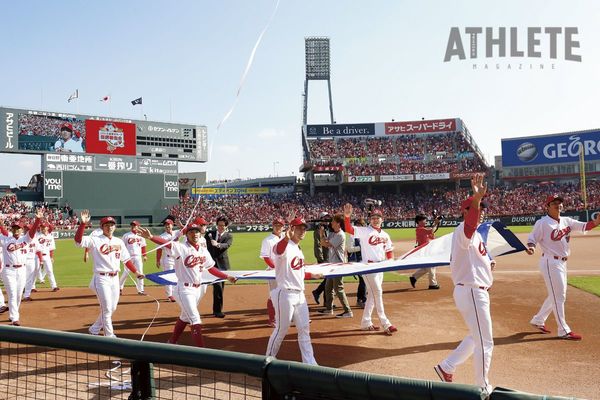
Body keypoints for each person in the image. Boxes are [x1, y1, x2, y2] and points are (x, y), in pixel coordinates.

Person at [434, 175, 495, 395]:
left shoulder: (476, 235)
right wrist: (476, 198)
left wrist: (488, 266)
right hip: (471, 292)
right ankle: (483, 387)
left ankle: (447, 366)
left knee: (475, 335)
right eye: (477, 207)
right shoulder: (463, 230)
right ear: (466, 211)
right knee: (485, 342)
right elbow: (470, 224)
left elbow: (477, 259)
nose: (482, 211)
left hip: (474, 291)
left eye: (482, 207)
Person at [139, 219, 237, 347]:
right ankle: (202, 352)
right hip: (183, 290)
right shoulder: (181, 248)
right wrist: (151, 237)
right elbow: (167, 244)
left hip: (198, 290)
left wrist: (227, 276)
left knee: (185, 317)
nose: (194, 234)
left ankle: (172, 341)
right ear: (187, 234)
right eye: (191, 232)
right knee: (195, 319)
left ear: (200, 234)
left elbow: (211, 268)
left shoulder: (203, 250)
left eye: (197, 232)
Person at [526, 194, 600, 340]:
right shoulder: (542, 223)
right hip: (550, 262)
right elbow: (532, 239)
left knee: (557, 294)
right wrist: (531, 247)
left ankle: (538, 320)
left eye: (559, 203)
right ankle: (563, 329)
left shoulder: (567, 221)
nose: (558, 205)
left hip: (562, 262)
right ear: (547, 206)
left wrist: (596, 222)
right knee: (559, 295)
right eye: (554, 203)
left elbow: (584, 226)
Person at [75, 210, 144, 337]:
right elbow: (78, 241)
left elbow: (126, 260)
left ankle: (94, 329)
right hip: (101, 279)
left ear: (115, 227)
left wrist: (136, 272)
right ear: (102, 227)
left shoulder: (119, 241)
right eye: (106, 225)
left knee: (112, 308)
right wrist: (83, 224)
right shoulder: (95, 240)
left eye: (112, 225)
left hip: (115, 279)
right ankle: (110, 337)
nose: (110, 227)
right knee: (106, 309)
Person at [265, 217, 323, 364]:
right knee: (281, 330)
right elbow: (277, 251)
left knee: (304, 329)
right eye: (299, 228)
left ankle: (310, 363)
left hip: (299, 295)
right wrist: (285, 238)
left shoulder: (297, 249)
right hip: (285, 293)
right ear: (291, 229)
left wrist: (312, 275)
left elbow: (299, 271)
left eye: (304, 228)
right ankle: (267, 360)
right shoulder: (284, 245)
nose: (302, 231)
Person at [343, 204, 397, 335]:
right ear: (369, 219)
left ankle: (366, 322)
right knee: (377, 292)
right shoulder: (364, 231)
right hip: (368, 266)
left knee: (373, 295)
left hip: (380, 266)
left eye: (378, 217)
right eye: (373, 217)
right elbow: (349, 229)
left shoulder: (385, 234)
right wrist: (347, 216)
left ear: (382, 220)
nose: (375, 219)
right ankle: (386, 323)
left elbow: (389, 251)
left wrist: (390, 261)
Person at [0, 208, 43, 326]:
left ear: (21, 229)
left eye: (18, 228)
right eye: (14, 228)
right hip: (8, 270)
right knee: (12, 293)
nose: (16, 230)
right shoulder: (5, 238)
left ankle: (13, 314)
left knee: (19, 294)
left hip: (22, 270)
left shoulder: (26, 239)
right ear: (12, 229)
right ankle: (15, 318)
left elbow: (33, 232)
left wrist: (38, 219)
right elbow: (2, 231)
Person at [318, 213, 353, 318]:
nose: (331, 223)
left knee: (338, 288)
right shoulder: (333, 233)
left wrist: (321, 234)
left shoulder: (340, 235)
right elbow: (323, 242)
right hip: (332, 264)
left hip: (338, 265)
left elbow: (325, 244)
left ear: (338, 223)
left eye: (333, 221)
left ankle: (348, 311)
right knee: (328, 287)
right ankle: (329, 309)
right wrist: (323, 234)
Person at [260, 216, 286, 327]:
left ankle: (288, 317)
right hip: (273, 271)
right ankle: (272, 319)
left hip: (285, 270)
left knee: (287, 294)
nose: (278, 227)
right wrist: (275, 268)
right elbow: (266, 257)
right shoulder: (267, 240)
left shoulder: (285, 237)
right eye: (276, 225)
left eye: (280, 225)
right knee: (274, 295)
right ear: (273, 226)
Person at [205, 216, 233, 318]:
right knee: (218, 288)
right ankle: (217, 311)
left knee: (220, 288)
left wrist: (218, 244)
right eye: (219, 225)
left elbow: (227, 245)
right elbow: (204, 247)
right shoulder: (209, 234)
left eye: (223, 225)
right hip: (211, 265)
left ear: (226, 226)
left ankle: (217, 310)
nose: (220, 227)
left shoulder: (229, 236)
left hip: (223, 265)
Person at [409, 214, 441, 290]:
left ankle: (414, 277)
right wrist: (436, 223)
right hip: (425, 251)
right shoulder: (419, 229)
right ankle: (433, 284)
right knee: (431, 266)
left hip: (427, 250)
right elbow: (431, 231)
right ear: (419, 221)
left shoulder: (423, 229)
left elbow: (431, 235)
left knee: (426, 268)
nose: (426, 221)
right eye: (424, 220)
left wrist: (435, 224)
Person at [156, 218, 181, 302]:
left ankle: (174, 293)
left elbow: (186, 230)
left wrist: (181, 225)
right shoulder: (162, 236)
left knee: (176, 276)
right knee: (168, 276)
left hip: (177, 258)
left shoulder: (177, 233)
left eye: (168, 224)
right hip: (167, 258)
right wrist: (158, 260)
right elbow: (159, 249)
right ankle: (169, 295)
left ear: (172, 225)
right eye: (165, 224)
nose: (167, 226)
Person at [120, 221, 147, 295]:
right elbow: (122, 247)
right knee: (126, 273)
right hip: (128, 257)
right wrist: (121, 256)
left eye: (135, 225)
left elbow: (143, 246)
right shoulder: (126, 235)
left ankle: (141, 290)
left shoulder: (141, 236)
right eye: (132, 225)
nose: (133, 227)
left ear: (138, 227)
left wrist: (144, 255)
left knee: (140, 273)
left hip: (138, 257)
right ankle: (119, 288)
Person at [311, 212, 331, 304]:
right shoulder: (319, 229)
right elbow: (318, 245)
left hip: (328, 256)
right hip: (324, 257)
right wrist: (321, 259)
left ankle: (325, 300)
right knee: (329, 279)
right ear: (321, 219)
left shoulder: (327, 228)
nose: (327, 220)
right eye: (325, 218)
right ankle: (319, 293)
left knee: (329, 279)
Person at [347, 217, 367, 308]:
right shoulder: (352, 236)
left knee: (364, 280)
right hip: (356, 261)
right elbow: (349, 249)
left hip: (364, 260)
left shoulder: (364, 235)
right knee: (363, 280)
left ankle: (360, 299)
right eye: (360, 225)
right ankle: (362, 299)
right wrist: (360, 248)